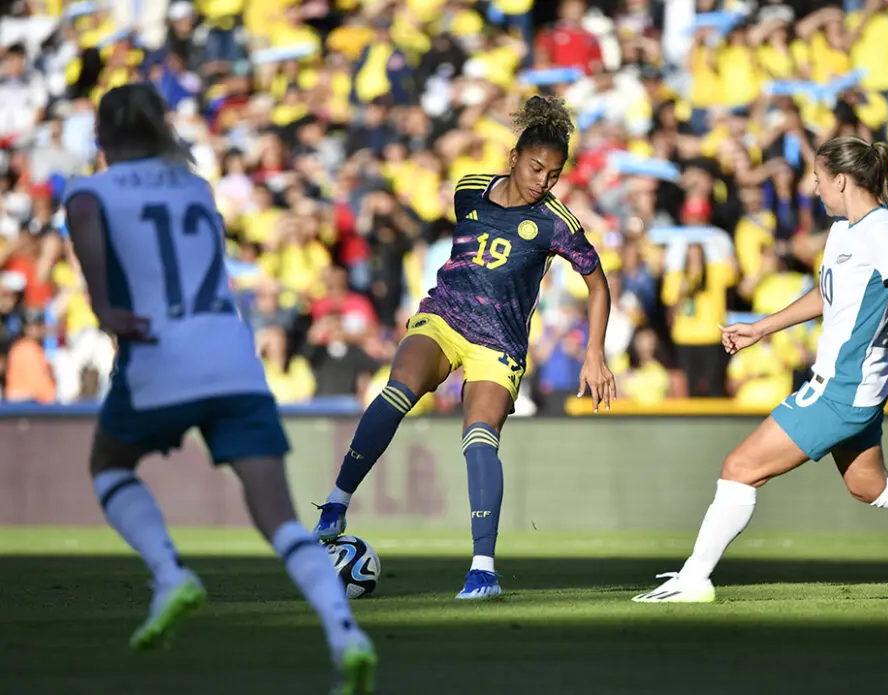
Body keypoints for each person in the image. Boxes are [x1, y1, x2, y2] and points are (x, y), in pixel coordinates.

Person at [62, 84, 375, 695]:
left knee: (109, 464)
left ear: (100, 137)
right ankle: (348, 637)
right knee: (281, 521)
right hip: (232, 356)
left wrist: (110, 315)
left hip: (160, 352)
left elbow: (104, 297)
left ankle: (169, 573)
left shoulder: (88, 195)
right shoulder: (197, 188)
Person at [633, 137, 888, 604]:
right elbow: (826, 294)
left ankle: (694, 578)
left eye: (818, 180)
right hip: (851, 387)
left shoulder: (882, 230)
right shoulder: (844, 228)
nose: (814, 189)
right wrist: (761, 328)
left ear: (841, 179)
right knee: (868, 485)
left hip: (843, 387)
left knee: (739, 468)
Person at [313, 95, 616, 599]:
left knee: (479, 437)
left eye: (555, 174)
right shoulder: (469, 190)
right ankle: (336, 504)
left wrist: (595, 354)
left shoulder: (557, 222)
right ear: (514, 156)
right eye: (537, 167)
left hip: (498, 343)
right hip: (444, 318)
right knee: (397, 391)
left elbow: (599, 284)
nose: (544, 181)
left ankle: (482, 570)